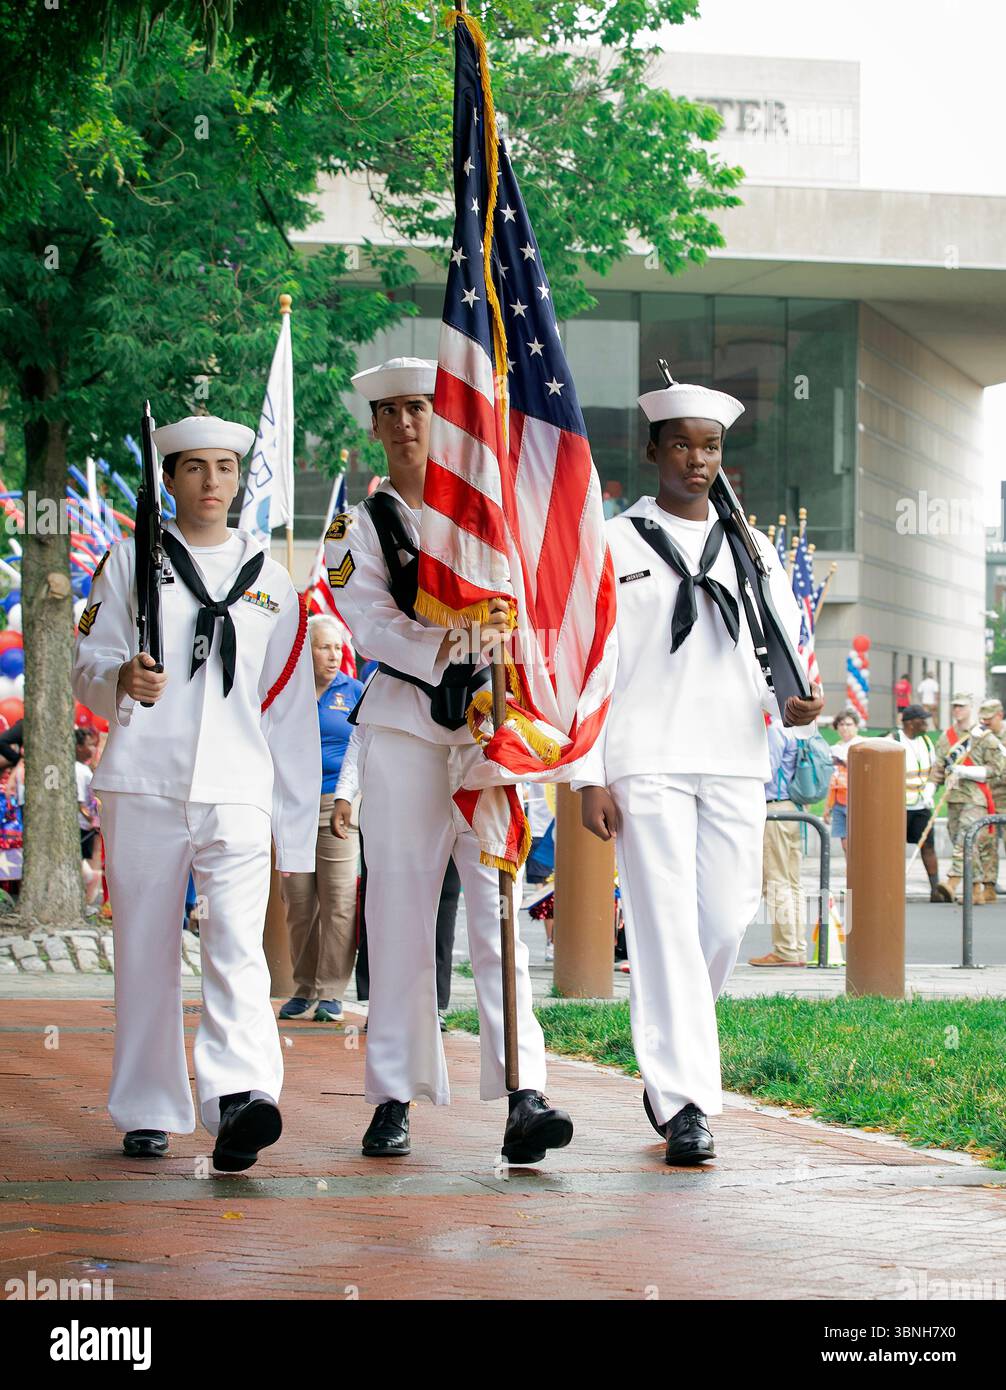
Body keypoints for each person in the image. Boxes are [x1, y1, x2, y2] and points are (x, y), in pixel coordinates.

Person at [325, 357, 571, 1163]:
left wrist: (496, 661)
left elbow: (529, 604)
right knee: (399, 914)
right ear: (374, 426)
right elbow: (365, 620)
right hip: (403, 728)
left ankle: (524, 1093)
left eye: (421, 408)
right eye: (391, 412)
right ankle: (394, 1094)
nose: (406, 424)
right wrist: (451, 652)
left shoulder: (488, 514)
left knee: (499, 911)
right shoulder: (362, 525)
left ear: (446, 416)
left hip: (487, 730)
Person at [575, 377, 823, 1165]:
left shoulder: (751, 547)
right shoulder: (613, 543)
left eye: (709, 446)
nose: (696, 459)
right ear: (653, 450)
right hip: (644, 757)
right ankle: (685, 1104)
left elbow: (785, 643)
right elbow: (592, 664)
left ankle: (673, 1051)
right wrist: (587, 772)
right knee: (665, 928)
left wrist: (797, 700)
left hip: (734, 757)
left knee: (722, 918)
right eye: (680, 443)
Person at [72, 414, 320, 1170]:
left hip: (239, 787)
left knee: (237, 944)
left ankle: (241, 1097)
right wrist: (120, 677)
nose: (212, 482)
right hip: (144, 781)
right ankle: (147, 1105)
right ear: (170, 478)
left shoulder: (273, 582)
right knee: (144, 947)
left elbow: (287, 707)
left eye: (225, 468)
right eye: (194, 468)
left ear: (240, 478)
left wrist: (297, 826)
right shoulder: (129, 561)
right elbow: (86, 659)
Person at [278, 615, 363, 1023]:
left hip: (338, 805)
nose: (333, 655)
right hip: (293, 805)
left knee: (340, 899)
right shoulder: (286, 692)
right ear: (304, 650)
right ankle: (304, 985)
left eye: (337, 647)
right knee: (297, 902)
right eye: (323, 647)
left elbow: (366, 748)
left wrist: (351, 794)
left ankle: (330, 991)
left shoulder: (355, 692)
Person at [929, 693, 1005, 904]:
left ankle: (952, 881)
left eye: (961, 706)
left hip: (976, 798)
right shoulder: (946, 737)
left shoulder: (982, 736)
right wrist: (930, 788)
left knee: (966, 838)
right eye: (954, 706)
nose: (957, 710)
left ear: (971, 708)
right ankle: (975, 889)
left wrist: (966, 771)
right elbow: (940, 767)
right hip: (953, 797)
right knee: (963, 842)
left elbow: (996, 769)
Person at [750, 715, 806, 967]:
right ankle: (796, 946)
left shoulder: (776, 731)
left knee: (776, 880)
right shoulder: (800, 732)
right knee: (793, 882)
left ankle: (785, 949)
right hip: (794, 807)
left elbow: (767, 772)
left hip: (775, 807)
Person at [892, 704, 946, 902]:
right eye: (922, 719)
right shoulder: (894, 740)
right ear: (910, 723)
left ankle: (935, 890)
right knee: (895, 849)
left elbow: (934, 770)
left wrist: (931, 789)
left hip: (921, 805)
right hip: (898, 807)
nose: (926, 722)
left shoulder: (926, 742)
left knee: (928, 847)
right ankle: (893, 889)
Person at [822, 709, 861, 857]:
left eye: (849, 724)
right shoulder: (835, 748)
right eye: (841, 724)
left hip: (857, 801)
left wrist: (844, 762)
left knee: (857, 842)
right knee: (845, 844)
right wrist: (827, 807)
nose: (845, 728)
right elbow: (832, 780)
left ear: (856, 726)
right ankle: (850, 875)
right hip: (839, 801)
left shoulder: (861, 745)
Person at [978, 697, 1006, 896]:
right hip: (988, 796)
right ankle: (989, 884)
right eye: (983, 719)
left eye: (990, 718)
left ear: (1000, 715)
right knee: (987, 842)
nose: (986, 722)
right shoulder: (982, 737)